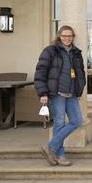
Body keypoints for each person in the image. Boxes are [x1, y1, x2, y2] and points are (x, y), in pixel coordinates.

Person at [34, 25, 86, 166]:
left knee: (77, 120)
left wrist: (79, 88)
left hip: (72, 93)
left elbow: (80, 73)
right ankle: (60, 155)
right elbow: (40, 72)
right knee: (59, 122)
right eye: (64, 36)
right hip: (56, 93)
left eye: (69, 36)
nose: (67, 38)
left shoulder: (76, 53)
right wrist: (43, 93)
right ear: (59, 36)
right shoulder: (50, 51)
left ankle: (50, 147)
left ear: (73, 37)